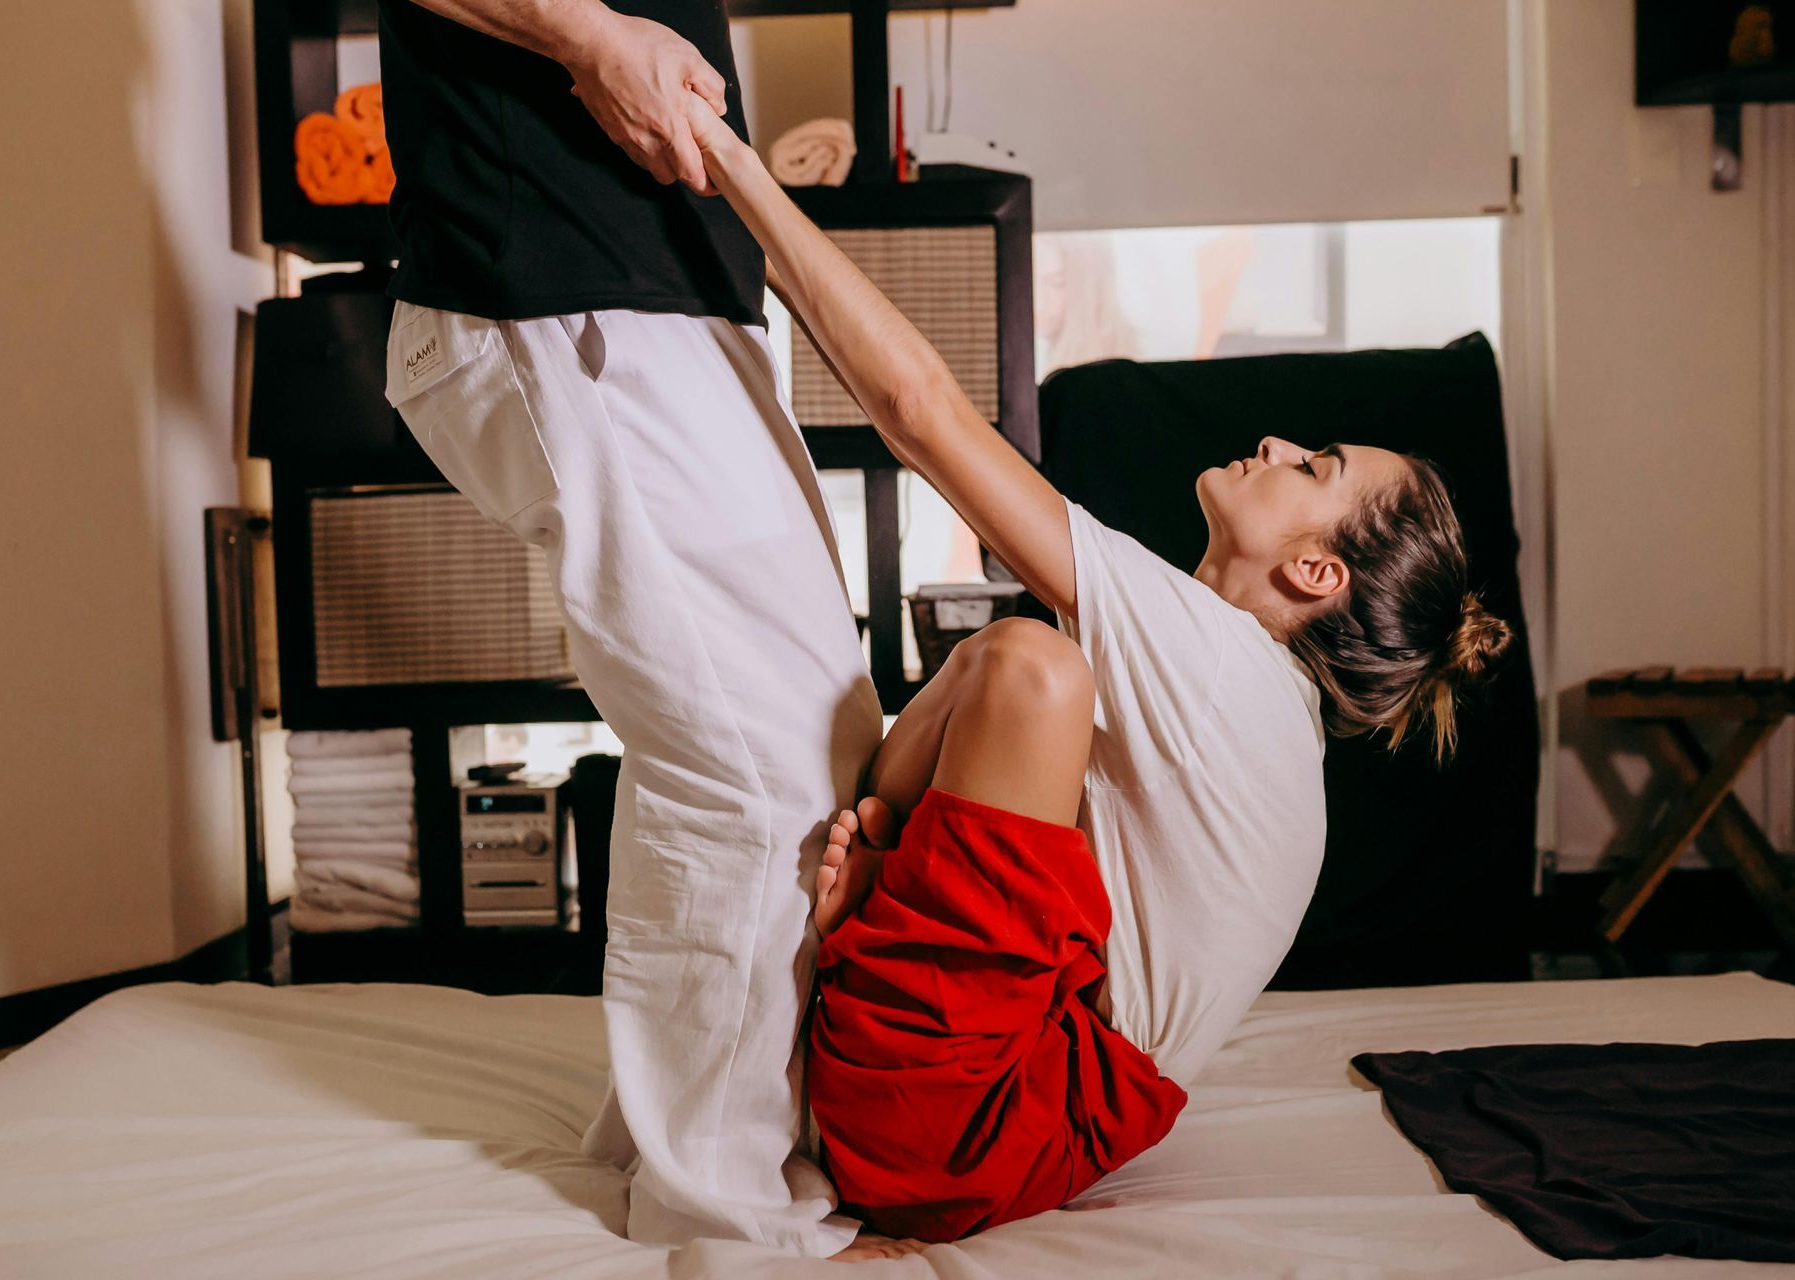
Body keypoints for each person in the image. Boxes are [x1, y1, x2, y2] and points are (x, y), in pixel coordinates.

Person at [679, 92, 1515, 1246]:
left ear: (1318, 573)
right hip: (989, 1119)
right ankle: (874, 882)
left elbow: (921, 412)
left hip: (959, 1121)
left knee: (1030, 665)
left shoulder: (1221, 665)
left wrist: (736, 177)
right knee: (1006, 664)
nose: (1275, 444)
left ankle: (871, 897)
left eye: (1313, 464)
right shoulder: (1248, 699)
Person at [375, 1, 882, 1258]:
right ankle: (721, 1211)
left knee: (813, 741)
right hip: (559, 273)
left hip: (670, 283)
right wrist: (583, 31)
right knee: (754, 766)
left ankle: (670, 1133)